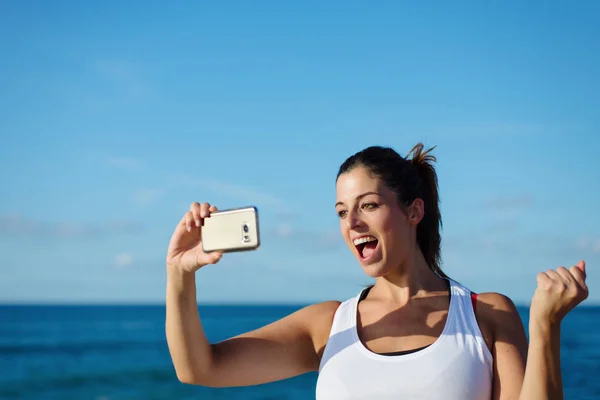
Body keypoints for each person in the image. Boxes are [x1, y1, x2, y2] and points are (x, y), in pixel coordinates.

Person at [165, 143, 589, 399]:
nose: (351, 224)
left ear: (413, 210)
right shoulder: (327, 325)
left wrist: (545, 325)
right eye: (341, 212)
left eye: (368, 205)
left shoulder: (486, 315)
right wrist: (180, 274)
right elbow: (200, 368)